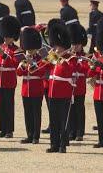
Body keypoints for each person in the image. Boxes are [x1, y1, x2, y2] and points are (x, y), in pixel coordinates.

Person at [45, 19, 76, 153]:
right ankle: (54, 145)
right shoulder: (53, 57)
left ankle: (63, 145)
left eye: (58, 47)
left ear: (64, 46)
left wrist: (61, 57)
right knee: (53, 121)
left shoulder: (71, 58)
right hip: (52, 93)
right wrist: (51, 57)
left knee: (64, 121)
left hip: (64, 94)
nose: (55, 48)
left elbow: (69, 71)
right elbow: (43, 67)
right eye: (55, 46)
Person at [17, 27, 46, 144]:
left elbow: (40, 72)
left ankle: (36, 136)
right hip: (26, 90)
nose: (29, 51)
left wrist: (32, 64)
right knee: (27, 113)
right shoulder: (24, 58)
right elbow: (19, 73)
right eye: (28, 49)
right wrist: (23, 65)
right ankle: (29, 135)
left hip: (37, 89)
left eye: (31, 49)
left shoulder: (41, 58)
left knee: (36, 113)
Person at [67, 24, 89, 141]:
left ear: (82, 44)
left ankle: (80, 132)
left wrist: (77, 61)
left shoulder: (85, 57)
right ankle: (72, 131)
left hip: (80, 87)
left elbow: (86, 70)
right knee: (71, 109)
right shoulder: (69, 57)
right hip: (70, 87)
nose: (75, 47)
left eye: (77, 44)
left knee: (79, 109)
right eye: (73, 44)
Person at [88, 18, 103, 148]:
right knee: (100, 118)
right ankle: (101, 140)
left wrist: (102, 65)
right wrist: (92, 67)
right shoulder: (98, 56)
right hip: (98, 91)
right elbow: (90, 75)